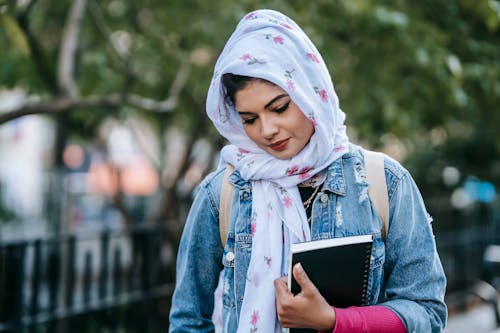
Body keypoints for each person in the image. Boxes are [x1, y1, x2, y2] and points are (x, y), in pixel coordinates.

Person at [169, 9, 447, 333]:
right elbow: (188, 321)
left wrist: (335, 321)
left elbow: (427, 315)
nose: (267, 130)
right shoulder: (222, 194)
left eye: (279, 107)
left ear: (310, 91)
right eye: (249, 119)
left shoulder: (383, 183)